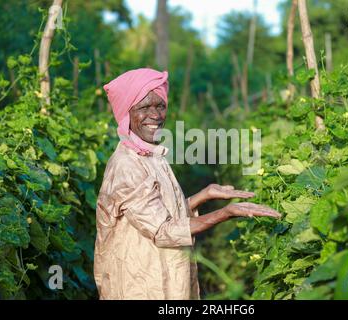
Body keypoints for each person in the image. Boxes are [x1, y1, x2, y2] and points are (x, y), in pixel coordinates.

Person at [94, 68, 281, 300]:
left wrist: (205, 194)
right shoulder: (126, 166)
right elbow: (163, 231)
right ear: (126, 113)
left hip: (163, 277)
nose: (155, 115)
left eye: (160, 106)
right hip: (138, 284)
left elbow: (160, 213)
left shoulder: (149, 154)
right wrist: (225, 213)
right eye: (144, 107)